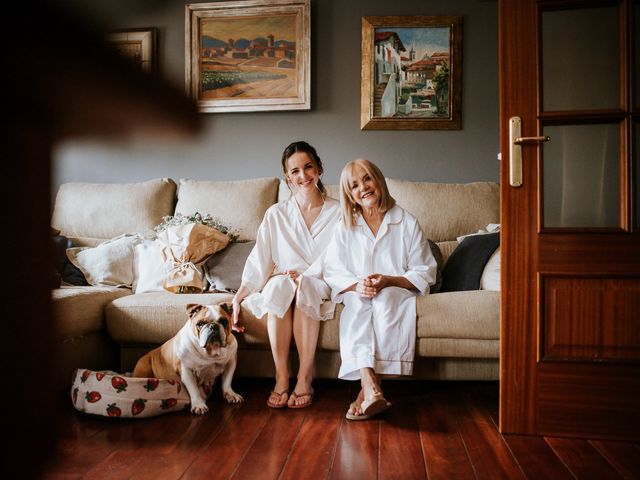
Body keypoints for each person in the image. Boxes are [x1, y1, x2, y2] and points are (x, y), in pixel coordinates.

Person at [323, 158, 437, 420]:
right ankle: (370, 385)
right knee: (359, 304)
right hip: (358, 289)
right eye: (354, 185)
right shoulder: (344, 226)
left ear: (379, 181)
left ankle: (367, 392)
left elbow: (425, 270)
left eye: (367, 178)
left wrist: (389, 280)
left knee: (385, 301)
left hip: (396, 288)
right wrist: (356, 285)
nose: (363, 187)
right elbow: (333, 270)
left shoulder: (406, 221)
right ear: (349, 196)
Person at [231, 141, 340, 409]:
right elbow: (261, 259)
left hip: (320, 281)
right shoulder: (276, 214)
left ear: (319, 168)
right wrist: (238, 297)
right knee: (279, 286)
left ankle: (304, 377)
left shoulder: (339, 211)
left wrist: (307, 276)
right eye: (295, 172)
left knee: (305, 287)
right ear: (287, 178)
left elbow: (344, 257)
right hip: (283, 278)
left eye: (308, 167)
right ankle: (281, 376)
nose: (303, 176)